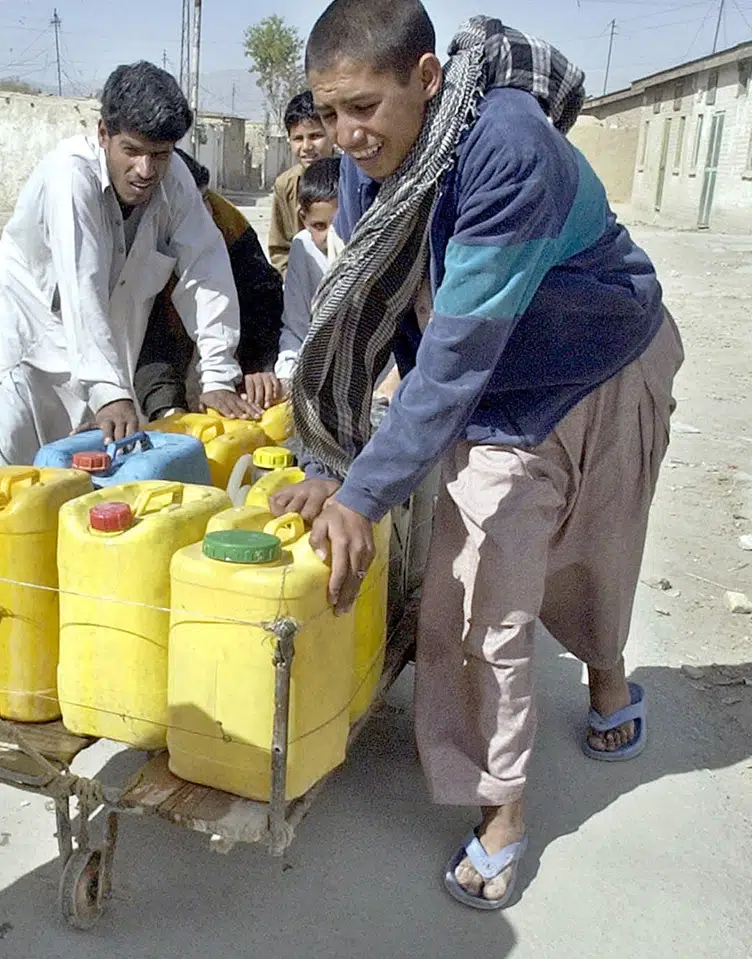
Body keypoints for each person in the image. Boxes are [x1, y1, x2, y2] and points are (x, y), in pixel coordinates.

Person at [273, 0, 683, 910]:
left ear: (426, 78)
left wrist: (363, 495)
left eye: (366, 107)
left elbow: (453, 358)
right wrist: (332, 459)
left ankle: (608, 679)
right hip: (503, 394)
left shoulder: (506, 147)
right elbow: (361, 316)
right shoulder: (362, 167)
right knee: (473, 594)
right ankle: (500, 803)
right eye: (329, 112)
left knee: (600, 550)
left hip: (602, 357)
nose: (345, 134)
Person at [0, 61, 259, 473]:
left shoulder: (173, 179)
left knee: (86, 513)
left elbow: (206, 269)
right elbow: (81, 284)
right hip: (27, 374)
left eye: (159, 154)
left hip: (102, 380)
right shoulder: (69, 177)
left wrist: (216, 374)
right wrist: (109, 390)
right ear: (103, 134)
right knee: (3, 508)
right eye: (132, 151)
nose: (146, 170)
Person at [135, 148, 286, 421]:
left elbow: (262, 300)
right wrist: (167, 408)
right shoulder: (142, 231)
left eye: (205, 200)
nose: (203, 213)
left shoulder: (229, 222)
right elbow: (151, 337)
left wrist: (259, 367)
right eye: (193, 204)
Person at [275, 155, 341, 382]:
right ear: (303, 219)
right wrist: (288, 376)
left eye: (339, 224)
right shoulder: (303, 246)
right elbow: (296, 326)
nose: (330, 237)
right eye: (319, 226)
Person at [266, 90, 336, 274]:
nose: (306, 147)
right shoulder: (285, 185)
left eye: (315, 136)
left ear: (332, 133)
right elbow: (280, 249)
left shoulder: (351, 177)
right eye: (298, 138)